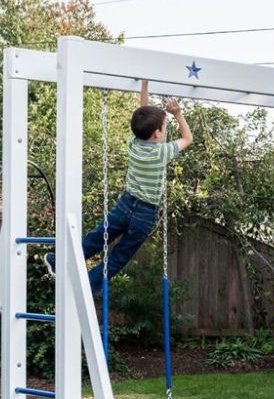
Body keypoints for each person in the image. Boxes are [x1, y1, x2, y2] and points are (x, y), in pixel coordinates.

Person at [44, 81, 192, 293]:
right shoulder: (162, 153)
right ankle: (88, 283)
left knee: (95, 238)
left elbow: (141, 112)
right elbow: (188, 138)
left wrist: (144, 85)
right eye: (164, 126)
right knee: (118, 258)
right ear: (158, 134)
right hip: (145, 214)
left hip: (125, 205)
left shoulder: (134, 144)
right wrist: (177, 113)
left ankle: (59, 261)